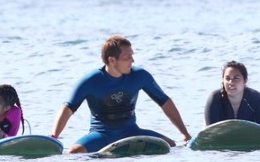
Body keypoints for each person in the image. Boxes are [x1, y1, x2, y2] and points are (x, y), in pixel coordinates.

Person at [50, 35, 192, 154]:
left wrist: (184, 133)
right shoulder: (90, 81)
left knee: (170, 146)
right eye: (127, 57)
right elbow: (67, 109)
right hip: (101, 135)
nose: (133, 60)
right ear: (112, 60)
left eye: (132, 55)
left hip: (131, 132)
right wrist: (54, 136)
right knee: (74, 153)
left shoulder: (140, 76)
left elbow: (165, 102)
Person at [204, 60, 260, 130]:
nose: (231, 82)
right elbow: (210, 133)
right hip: (220, 137)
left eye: (236, 78)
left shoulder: (255, 98)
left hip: (248, 137)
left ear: (245, 80)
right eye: (227, 78)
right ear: (223, 81)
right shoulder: (214, 99)